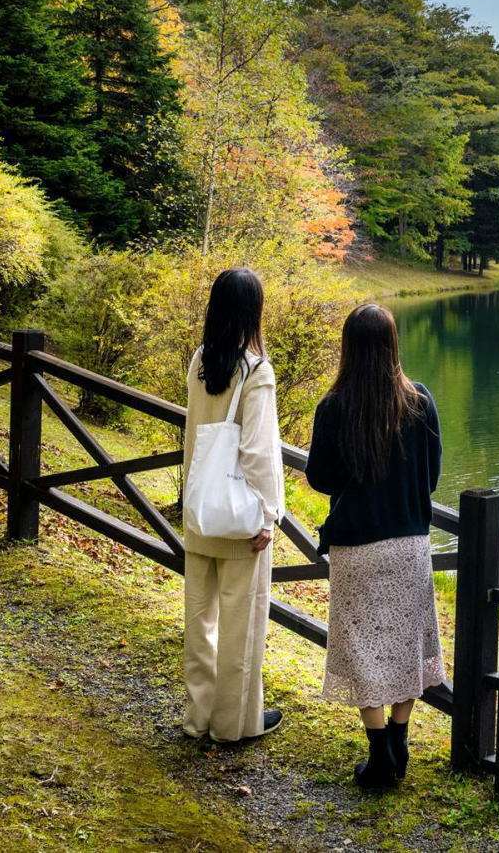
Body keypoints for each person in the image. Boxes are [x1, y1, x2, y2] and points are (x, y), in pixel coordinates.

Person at [303, 303, 448, 789]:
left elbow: (320, 479)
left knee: (363, 648)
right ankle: (401, 739)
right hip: (409, 545)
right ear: (392, 345)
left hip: (357, 550)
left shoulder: (335, 407)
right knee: (408, 645)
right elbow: (431, 479)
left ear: (348, 348)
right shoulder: (420, 402)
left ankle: (380, 749)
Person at [179, 268, 285, 745]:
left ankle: (198, 716)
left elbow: (193, 435)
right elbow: (260, 453)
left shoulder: (201, 361)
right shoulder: (256, 372)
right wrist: (270, 514)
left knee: (199, 620)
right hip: (241, 519)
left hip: (202, 510)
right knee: (241, 624)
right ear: (253, 313)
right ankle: (233, 723)